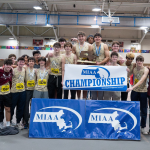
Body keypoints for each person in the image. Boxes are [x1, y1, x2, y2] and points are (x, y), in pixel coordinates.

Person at [127, 55, 149, 134]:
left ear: (143, 62)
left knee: (143, 110)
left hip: (143, 91)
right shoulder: (134, 68)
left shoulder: (145, 69)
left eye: (141, 61)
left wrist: (132, 88)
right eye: (138, 61)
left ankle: (143, 127)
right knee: (133, 108)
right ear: (136, 61)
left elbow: (142, 80)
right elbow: (128, 74)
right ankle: (133, 125)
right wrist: (126, 70)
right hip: (135, 91)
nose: (139, 62)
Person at [72, 31, 92, 99]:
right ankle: (78, 98)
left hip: (86, 66)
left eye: (82, 36)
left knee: (85, 84)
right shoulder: (74, 46)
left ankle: (84, 98)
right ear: (78, 38)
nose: (81, 38)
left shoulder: (89, 46)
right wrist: (75, 61)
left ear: (85, 37)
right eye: (79, 36)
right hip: (78, 66)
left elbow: (91, 56)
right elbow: (73, 55)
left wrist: (88, 60)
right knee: (78, 84)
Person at [91, 33, 109, 100]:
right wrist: (92, 61)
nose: (97, 38)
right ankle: (93, 100)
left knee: (101, 86)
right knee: (93, 85)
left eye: (99, 37)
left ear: (101, 38)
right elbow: (89, 56)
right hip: (93, 67)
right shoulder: (91, 46)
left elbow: (107, 57)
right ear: (94, 39)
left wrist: (100, 63)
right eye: (96, 37)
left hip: (102, 67)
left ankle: (100, 100)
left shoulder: (105, 45)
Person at [11, 57, 26, 130]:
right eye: (20, 62)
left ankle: (18, 122)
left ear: (24, 63)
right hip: (14, 92)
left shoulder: (24, 69)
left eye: (22, 62)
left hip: (22, 92)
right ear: (17, 62)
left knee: (20, 108)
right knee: (12, 107)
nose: (21, 63)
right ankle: (10, 121)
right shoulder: (13, 70)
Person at [23, 57, 36, 129]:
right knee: (26, 106)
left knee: (33, 106)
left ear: (34, 63)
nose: (31, 62)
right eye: (30, 61)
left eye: (32, 61)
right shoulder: (25, 69)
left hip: (34, 90)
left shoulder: (36, 70)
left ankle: (33, 121)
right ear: (28, 62)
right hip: (27, 90)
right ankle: (25, 121)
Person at [0, 59, 13, 129]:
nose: (8, 66)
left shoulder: (11, 71)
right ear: (4, 65)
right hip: (0, 94)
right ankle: (0, 123)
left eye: (10, 65)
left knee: (8, 109)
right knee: (0, 109)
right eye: (7, 65)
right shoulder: (0, 71)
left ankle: (8, 124)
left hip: (7, 94)